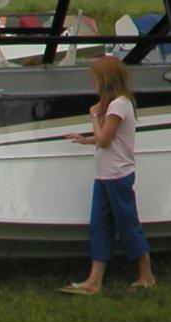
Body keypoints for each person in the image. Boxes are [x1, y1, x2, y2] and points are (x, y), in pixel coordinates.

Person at [60, 55, 157, 296]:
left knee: (127, 224)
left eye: (94, 80)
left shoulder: (118, 106)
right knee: (99, 225)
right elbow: (108, 139)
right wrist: (86, 140)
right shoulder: (117, 105)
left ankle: (147, 275)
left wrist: (93, 117)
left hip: (117, 176)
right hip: (105, 175)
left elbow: (105, 139)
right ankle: (94, 279)